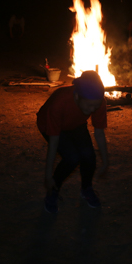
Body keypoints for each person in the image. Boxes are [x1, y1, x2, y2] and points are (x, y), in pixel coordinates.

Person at [37, 71, 109, 214]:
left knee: (88, 155)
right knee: (72, 158)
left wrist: (106, 161)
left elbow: (99, 133)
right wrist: (48, 176)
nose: (92, 110)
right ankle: (53, 190)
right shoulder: (60, 102)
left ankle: (86, 188)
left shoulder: (98, 102)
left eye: (96, 106)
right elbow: (54, 141)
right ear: (77, 96)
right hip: (50, 125)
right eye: (89, 106)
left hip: (76, 123)